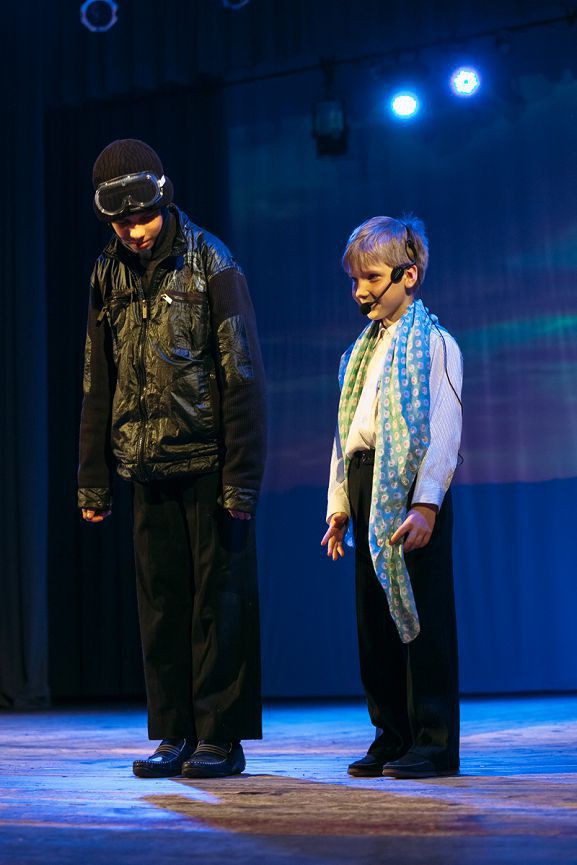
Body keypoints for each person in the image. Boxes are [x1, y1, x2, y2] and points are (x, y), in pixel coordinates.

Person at [78, 138, 266, 779]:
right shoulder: (106, 272)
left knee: (219, 601)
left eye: (143, 217)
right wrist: (93, 480)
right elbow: (96, 380)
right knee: (160, 607)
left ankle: (222, 737)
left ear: (164, 200)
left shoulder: (211, 260)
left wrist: (242, 479)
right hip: (144, 464)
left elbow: (242, 373)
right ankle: (176, 734)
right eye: (121, 223)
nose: (134, 232)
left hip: (210, 461)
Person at [322, 215, 462, 779]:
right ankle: (392, 734)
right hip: (367, 485)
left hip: (408, 488)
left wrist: (426, 505)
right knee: (374, 620)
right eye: (355, 280)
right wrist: (338, 506)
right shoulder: (359, 354)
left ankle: (434, 740)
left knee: (422, 615)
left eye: (372, 278)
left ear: (409, 275)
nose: (360, 291)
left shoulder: (436, 344)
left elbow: (445, 429)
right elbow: (346, 435)